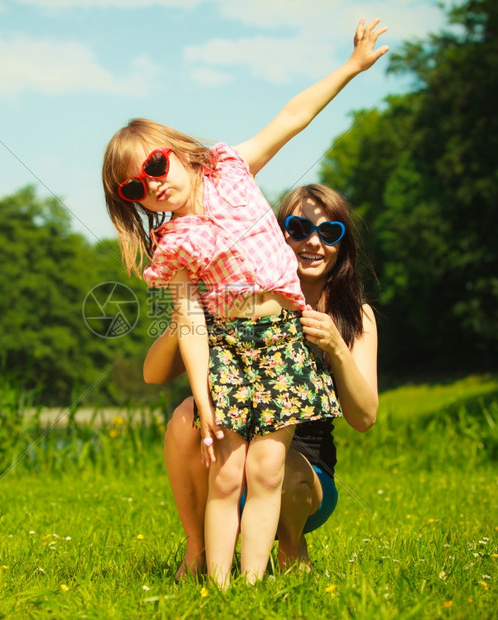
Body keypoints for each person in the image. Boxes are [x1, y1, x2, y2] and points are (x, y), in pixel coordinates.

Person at [103, 19, 388, 588]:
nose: (152, 185)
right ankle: (218, 583)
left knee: (265, 469)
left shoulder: (232, 169)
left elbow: (291, 116)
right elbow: (187, 321)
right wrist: (205, 402)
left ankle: (254, 586)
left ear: (179, 153)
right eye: (134, 188)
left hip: (281, 338)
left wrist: (351, 69)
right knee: (227, 475)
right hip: (230, 346)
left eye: (154, 166)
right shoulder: (172, 243)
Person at [145, 183, 379, 579]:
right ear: (276, 233)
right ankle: (197, 551)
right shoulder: (233, 299)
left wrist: (337, 348)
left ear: (342, 245)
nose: (314, 242)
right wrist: (189, 314)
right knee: (186, 416)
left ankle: (291, 547)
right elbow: (152, 374)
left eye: (330, 232)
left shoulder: (355, 316)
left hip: (302, 476)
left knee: (274, 463)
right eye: (299, 227)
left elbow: (365, 417)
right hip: (230, 466)